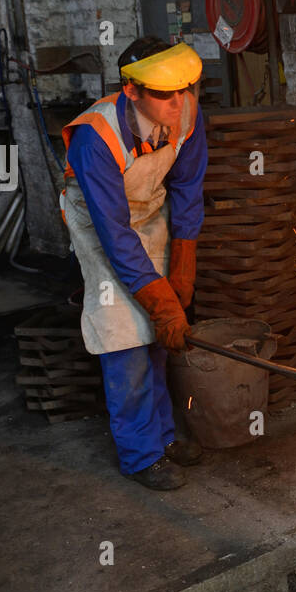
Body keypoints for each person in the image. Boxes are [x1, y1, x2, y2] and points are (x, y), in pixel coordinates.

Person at [60, 37, 208, 489]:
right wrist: (159, 299)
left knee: (158, 338)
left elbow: (187, 188)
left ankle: (163, 438)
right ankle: (140, 454)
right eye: (165, 94)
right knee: (125, 336)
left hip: (151, 212)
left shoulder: (186, 116)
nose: (178, 102)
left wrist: (183, 262)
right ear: (132, 92)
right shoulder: (94, 138)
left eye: (185, 90)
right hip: (102, 226)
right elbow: (115, 233)